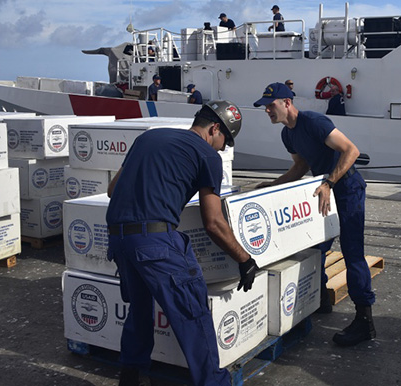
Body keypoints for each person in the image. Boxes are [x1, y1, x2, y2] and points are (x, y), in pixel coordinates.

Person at [106, 101, 257, 386]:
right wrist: (244, 259)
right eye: (224, 142)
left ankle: (129, 376)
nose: (222, 150)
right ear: (214, 129)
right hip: (156, 242)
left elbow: (113, 189)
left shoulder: (148, 137)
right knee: (193, 316)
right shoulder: (207, 156)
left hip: (118, 238)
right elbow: (213, 223)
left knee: (139, 309)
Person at [253, 83, 376, 347]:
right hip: (325, 192)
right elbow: (300, 167)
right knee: (315, 247)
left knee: (352, 252)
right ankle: (319, 299)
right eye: (265, 106)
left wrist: (329, 183)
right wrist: (272, 186)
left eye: (270, 105)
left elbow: (350, 151)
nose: (267, 110)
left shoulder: (313, 122)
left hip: (347, 189)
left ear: (287, 103)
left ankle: (365, 321)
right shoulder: (288, 135)